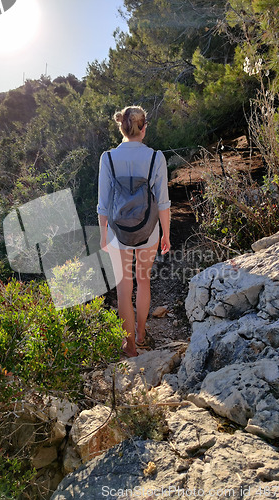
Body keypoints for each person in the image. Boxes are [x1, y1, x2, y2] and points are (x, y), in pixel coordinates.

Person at [97, 105, 171, 357]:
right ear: (144, 127)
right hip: (148, 229)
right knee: (143, 281)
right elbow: (163, 202)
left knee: (123, 287)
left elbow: (103, 203)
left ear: (122, 127)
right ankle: (140, 334)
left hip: (118, 232)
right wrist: (166, 233)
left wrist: (102, 233)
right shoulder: (155, 157)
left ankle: (129, 347)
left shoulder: (107, 158)